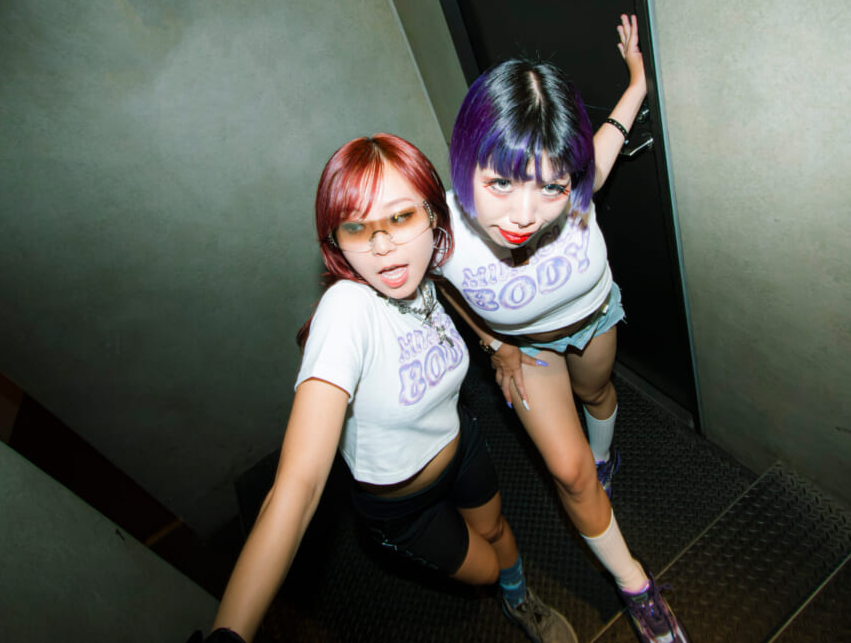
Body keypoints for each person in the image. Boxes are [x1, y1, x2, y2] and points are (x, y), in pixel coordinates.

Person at [199, 134, 578, 643]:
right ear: (336, 240)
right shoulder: (347, 311)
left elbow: (446, 291)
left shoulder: (420, 270)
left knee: (497, 532)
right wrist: (229, 635)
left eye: (400, 217)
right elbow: (298, 485)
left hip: (461, 446)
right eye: (356, 227)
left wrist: (495, 344)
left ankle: (521, 599)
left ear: (432, 215)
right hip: (403, 505)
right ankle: (505, 588)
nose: (382, 247)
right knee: (486, 570)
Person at [434, 15, 687, 643]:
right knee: (569, 474)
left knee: (597, 395)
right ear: (465, 159)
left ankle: (606, 458)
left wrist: (637, 80)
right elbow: (438, 283)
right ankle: (637, 586)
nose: (525, 215)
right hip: (530, 352)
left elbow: (609, 136)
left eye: (550, 186)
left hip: (595, 319)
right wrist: (495, 343)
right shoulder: (439, 232)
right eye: (500, 182)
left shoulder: (576, 186)